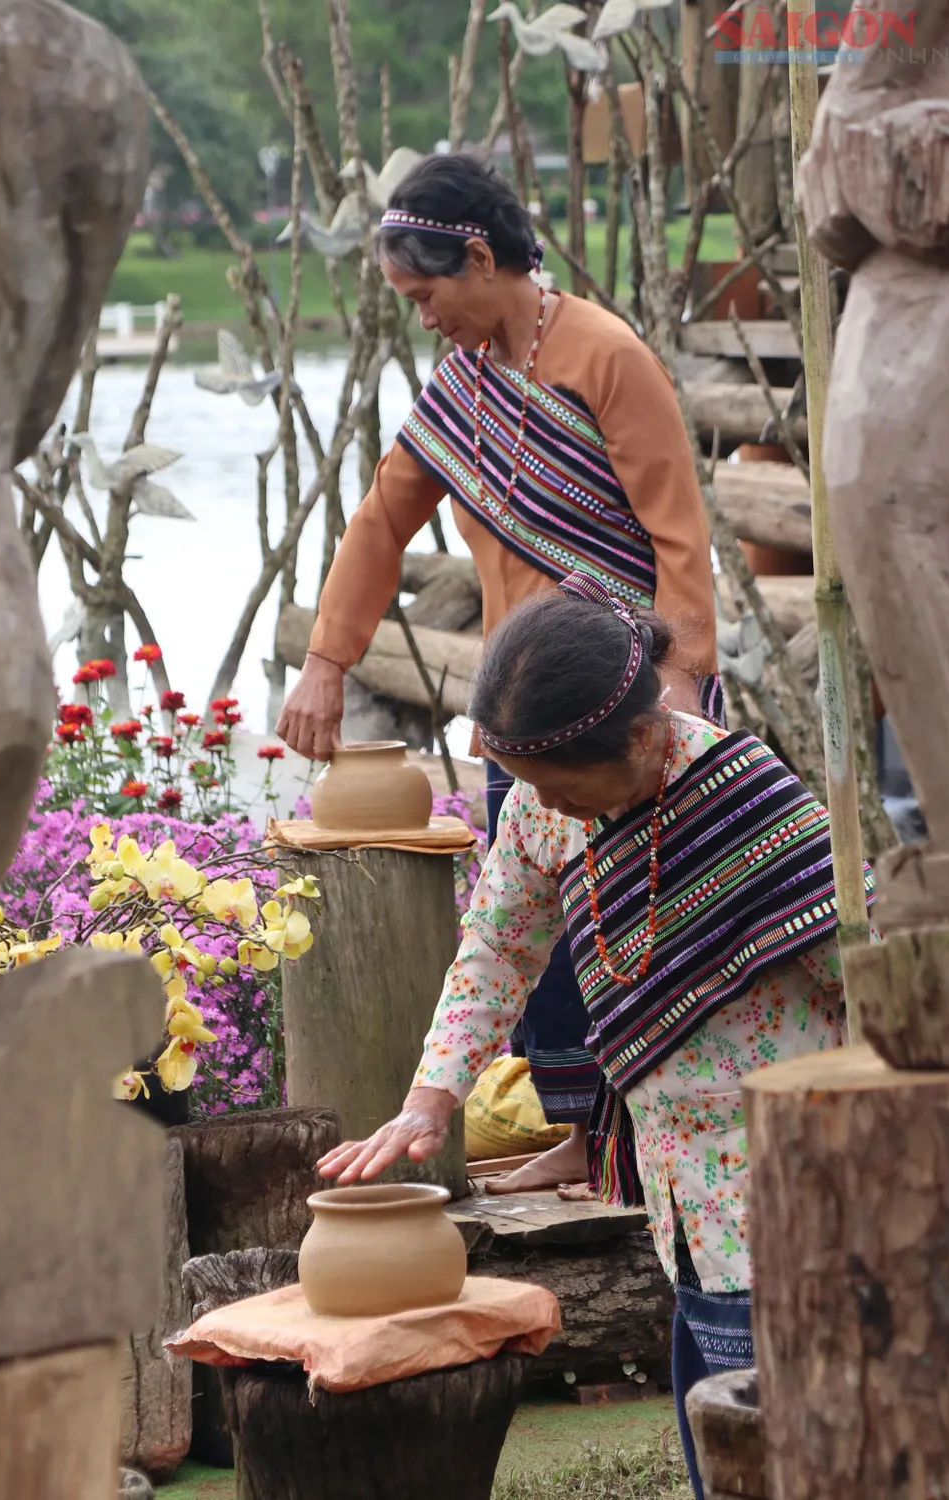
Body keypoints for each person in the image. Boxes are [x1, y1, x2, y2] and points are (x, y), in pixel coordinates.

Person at [315, 571, 876, 1499]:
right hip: (682, 1201)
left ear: (647, 738)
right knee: (727, 1440)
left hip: (801, 1187)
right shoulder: (544, 803)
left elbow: (865, 985)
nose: (553, 809)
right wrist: (431, 1098)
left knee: (798, 1452)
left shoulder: (750, 805)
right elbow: (498, 945)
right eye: (535, 789)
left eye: (569, 790)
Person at [277, 149, 722, 1195]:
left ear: (478, 257)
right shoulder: (462, 385)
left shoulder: (604, 355)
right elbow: (384, 519)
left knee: (646, 916)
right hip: (522, 711)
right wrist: (326, 661)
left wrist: (679, 690)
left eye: (426, 292)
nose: (422, 315)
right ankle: (575, 1129)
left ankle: (650, 1136)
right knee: (535, 917)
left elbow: (677, 536)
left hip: (627, 702)